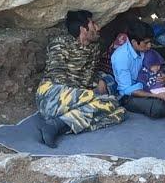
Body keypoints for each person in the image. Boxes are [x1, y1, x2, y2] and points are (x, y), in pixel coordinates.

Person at [35, 10, 126, 148]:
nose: (98, 28)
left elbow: (89, 75)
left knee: (118, 112)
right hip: (52, 95)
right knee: (105, 102)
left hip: (76, 99)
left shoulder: (93, 48)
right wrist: (89, 94)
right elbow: (57, 77)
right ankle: (64, 122)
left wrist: (100, 79)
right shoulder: (60, 44)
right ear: (83, 29)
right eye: (93, 24)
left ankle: (58, 125)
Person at [111, 20, 165, 118]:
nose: (149, 46)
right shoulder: (120, 58)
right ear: (134, 42)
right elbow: (126, 90)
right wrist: (156, 95)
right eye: (146, 43)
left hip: (149, 86)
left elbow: (156, 69)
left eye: (150, 42)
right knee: (158, 107)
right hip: (130, 95)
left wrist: (162, 76)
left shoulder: (144, 50)